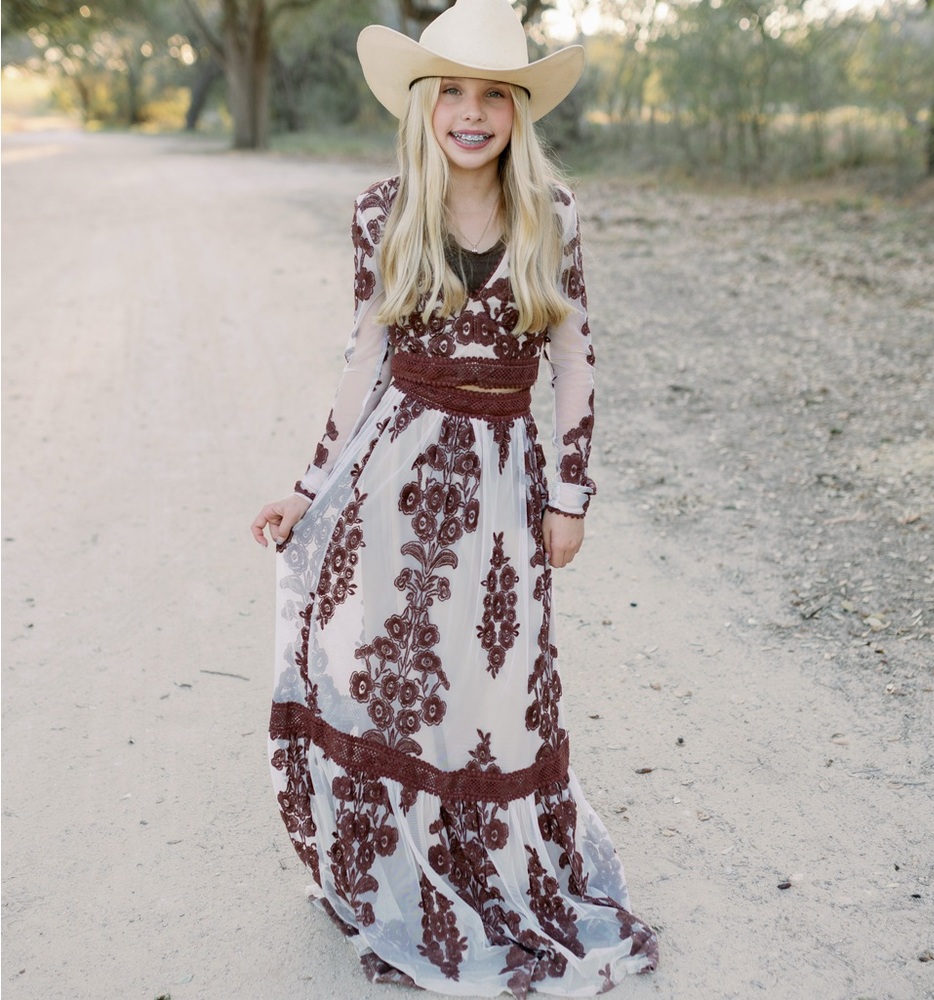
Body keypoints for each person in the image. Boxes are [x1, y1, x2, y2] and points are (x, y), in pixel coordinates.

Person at [250, 0, 658, 994]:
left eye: (494, 95)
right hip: (393, 471)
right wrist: (308, 486)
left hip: (502, 482)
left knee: (487, 683)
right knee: (384, 666)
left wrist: (571, 495)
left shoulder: (549, 214)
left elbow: (574, 361)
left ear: (518, 110)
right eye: (454, 93)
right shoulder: (382, 208)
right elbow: (363, 358)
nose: (471, 114)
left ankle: (488, 865)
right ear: (426, 104)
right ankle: (388, 864)